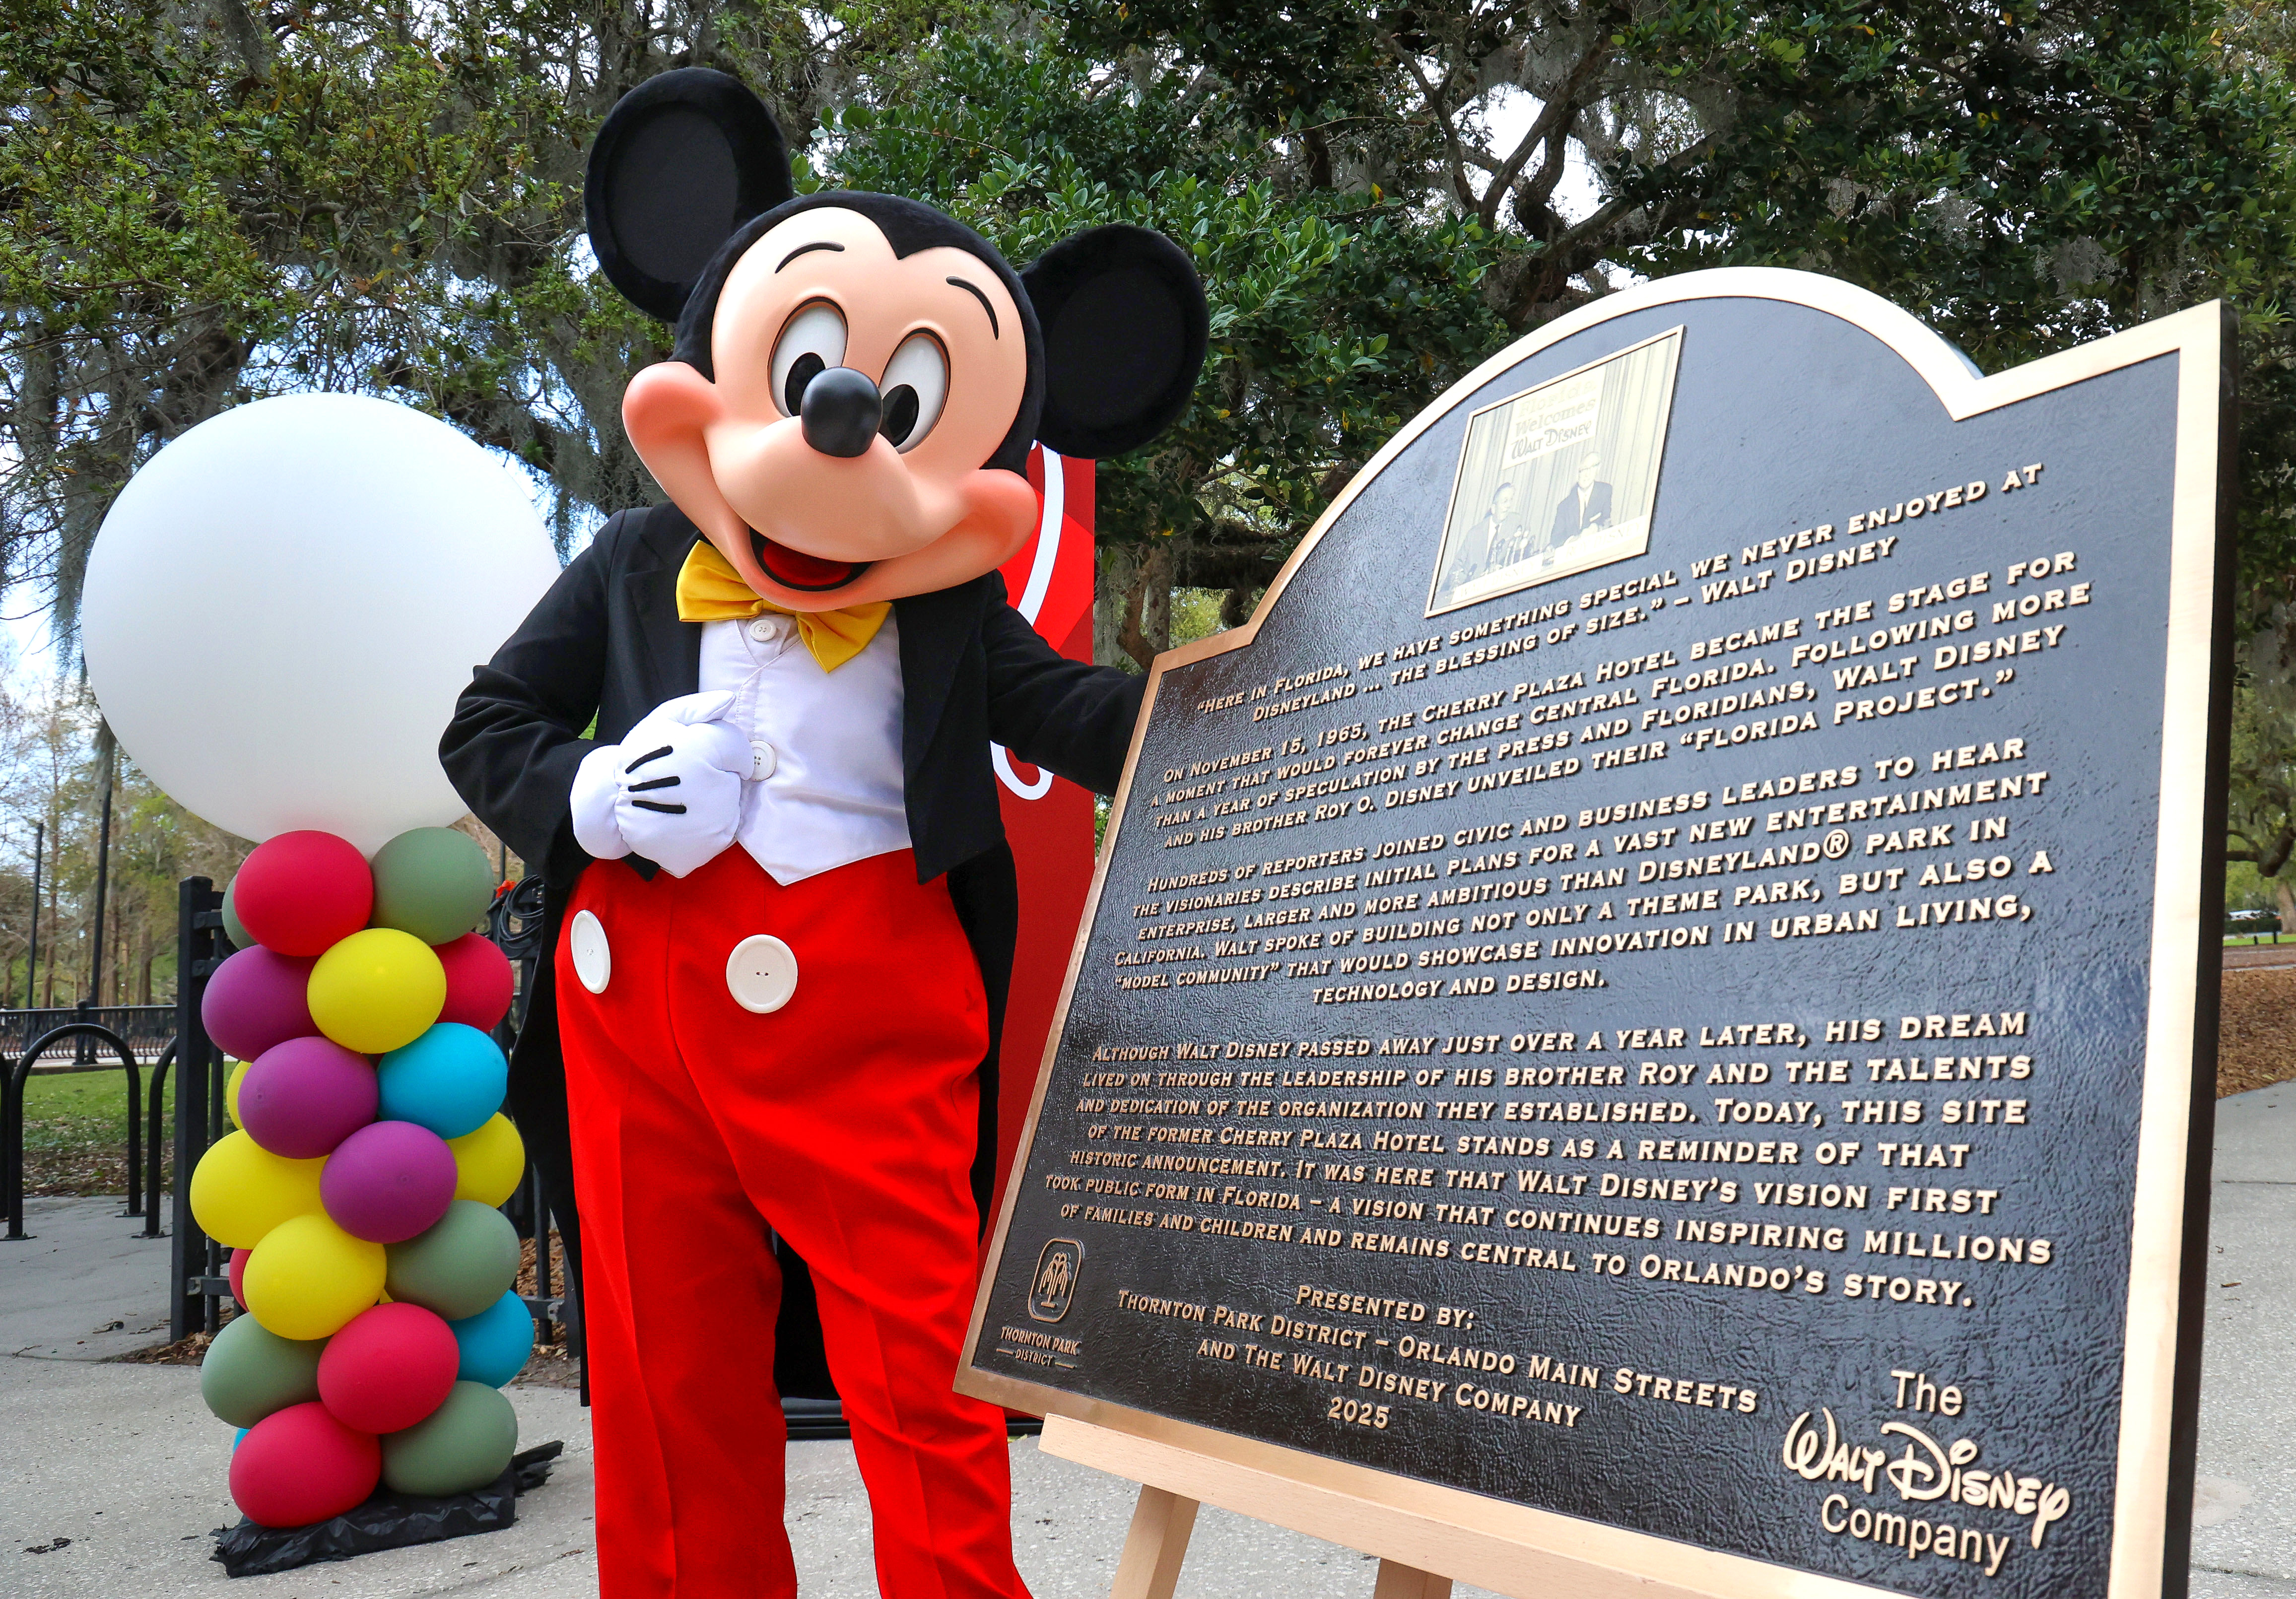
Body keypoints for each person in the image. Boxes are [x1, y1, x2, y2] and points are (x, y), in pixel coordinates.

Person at [440, 68, 1207, 1599]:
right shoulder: (635, 558)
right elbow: (490, 724)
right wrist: (595, 791)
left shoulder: (946, 598)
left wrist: (1244, 720)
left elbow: (1067, 711)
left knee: (919, 1373)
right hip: (637, 1014)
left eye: (903, 407)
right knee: (665, 1379)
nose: (843, 424)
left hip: (870, 1016)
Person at [1550, 450, 1614, 554]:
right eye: (1583, 469)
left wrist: (1596, 528)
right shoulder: (1564, 506)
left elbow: (1607, 521)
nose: (1587, 475)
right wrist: (1577, 539)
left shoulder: (1605, 491)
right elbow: (1556, 539)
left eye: (1592, 468)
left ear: (1598, 469)